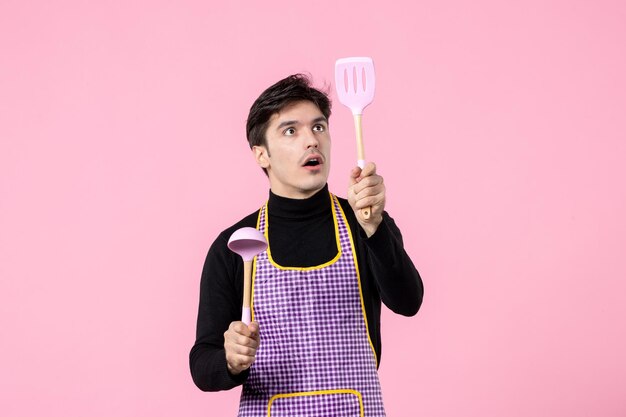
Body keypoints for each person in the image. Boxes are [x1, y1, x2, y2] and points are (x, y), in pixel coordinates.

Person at [190, 74, 423, 416]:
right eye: (290, 131)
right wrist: (230, 359)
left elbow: (408, 301)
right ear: (261, 155)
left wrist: (375, 229)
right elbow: (202, 365)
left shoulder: (366, 221)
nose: (311, 142)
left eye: (318, 127)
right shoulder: (238, 245)